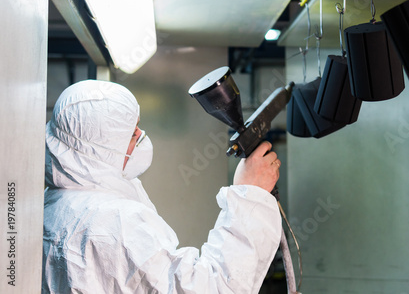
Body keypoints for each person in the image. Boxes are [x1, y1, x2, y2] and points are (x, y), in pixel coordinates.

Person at [42, 80, 282, 293]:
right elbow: (213, 287)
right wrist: (250, 194)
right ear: (100, 149)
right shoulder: (115, 220)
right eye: (130, 134)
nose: (140, 135)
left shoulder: (52, 204)